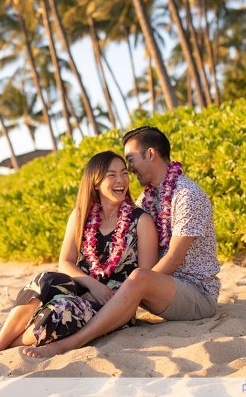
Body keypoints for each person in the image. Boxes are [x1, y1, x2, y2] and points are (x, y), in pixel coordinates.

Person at [22, 126, 221, 358]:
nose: (129, 170)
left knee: (138, 277)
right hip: (160, 290)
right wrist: (96, 286)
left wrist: (131, 289)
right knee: (52, 285)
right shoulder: (147, 199)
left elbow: (174, 257)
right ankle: (11, 337)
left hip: (196, 295)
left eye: (130, 160)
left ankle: (71, 343)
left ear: (150, 154)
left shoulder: (187, 195)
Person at [0, 150, 158, 355]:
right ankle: (0, 342)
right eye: (112, 175)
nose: (121, 180)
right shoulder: (82, 215)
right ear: (96, 182)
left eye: (124, 173)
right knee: (44, 280)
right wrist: (93, 284)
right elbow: (65, 261)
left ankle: (6, 341)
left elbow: (145, 277)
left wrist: (106, 293)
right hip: (82, 287)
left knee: (60, 308)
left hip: (114, 304)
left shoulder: (141, 221)